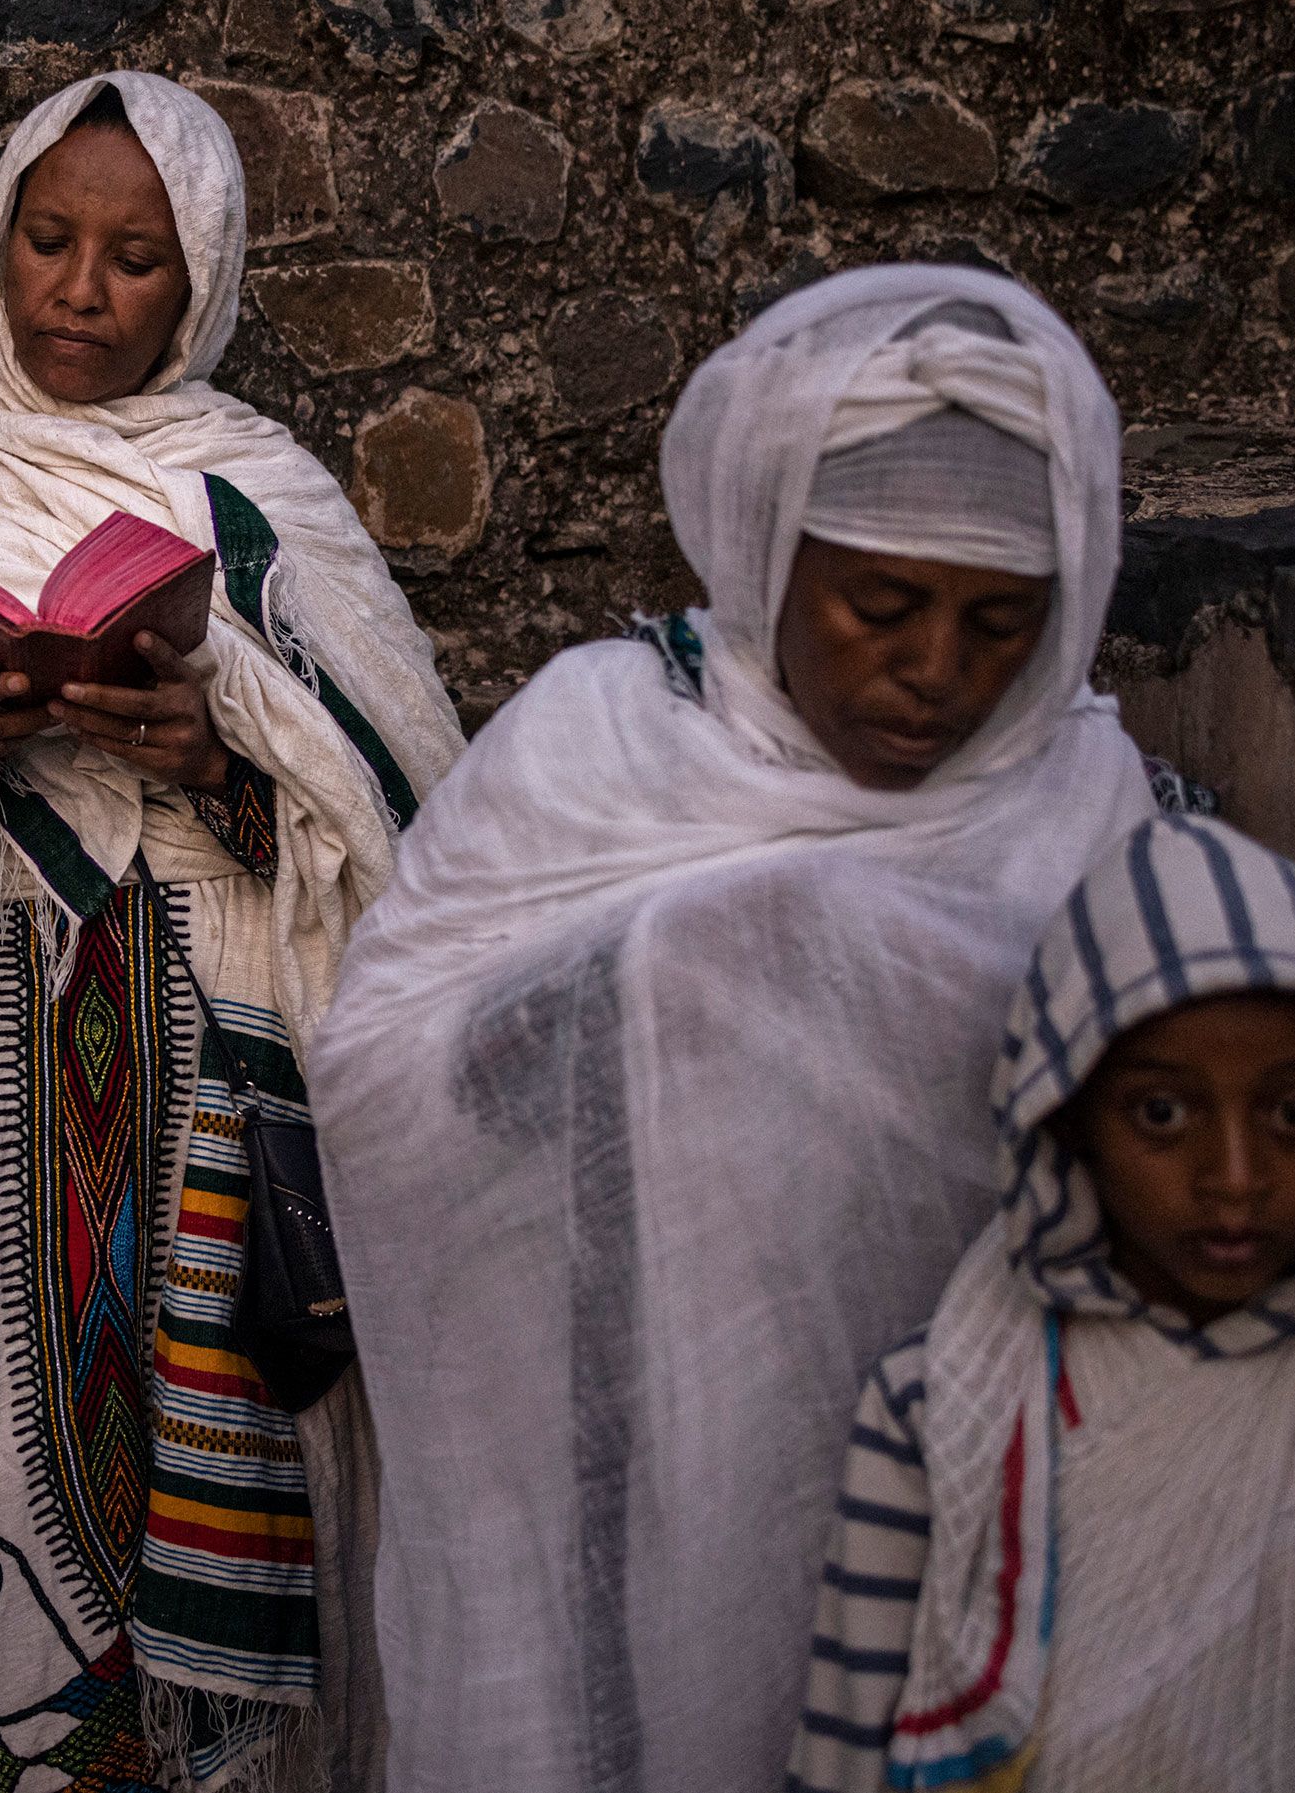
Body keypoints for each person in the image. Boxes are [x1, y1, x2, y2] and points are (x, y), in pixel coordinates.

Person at [308, 264, 1172, 1790]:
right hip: (627, 1472)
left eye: (1004, 623)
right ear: (767, 549)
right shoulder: (599, 743)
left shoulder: (1083, 805)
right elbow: (384, 1066)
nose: (937, 672)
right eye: (882, 606)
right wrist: (668, 973)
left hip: (976, 1488)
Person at [0, 72, 464, 1791]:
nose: (79, 289)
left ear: (202, 278)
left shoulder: (264, 493)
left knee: (207, 1474)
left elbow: (406, 820)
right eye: (48, 242)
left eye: (135, 257)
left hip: (212, 1062)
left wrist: (222, 760)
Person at [789, 814, 1295, 1791]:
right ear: (1067, 1117)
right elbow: (844, 1743)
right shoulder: (939, 1405)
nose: (1236, 1179)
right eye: (1162, 1114)